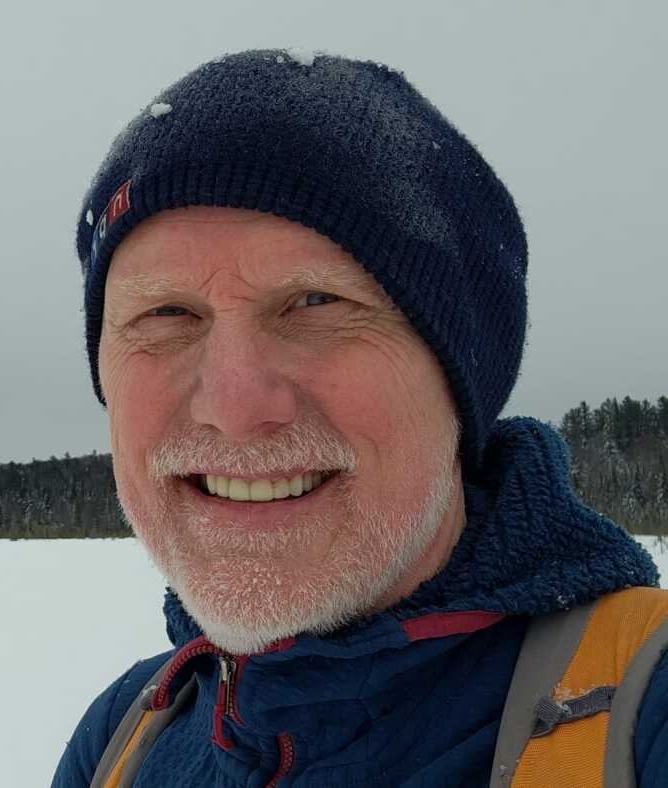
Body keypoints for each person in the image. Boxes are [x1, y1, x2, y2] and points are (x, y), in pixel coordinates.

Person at [52, 49, 668, 787]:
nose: (234, 407)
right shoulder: (129, 736)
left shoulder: (642, 714)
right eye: (167, 313)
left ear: (457, 378)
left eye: (316, 303)